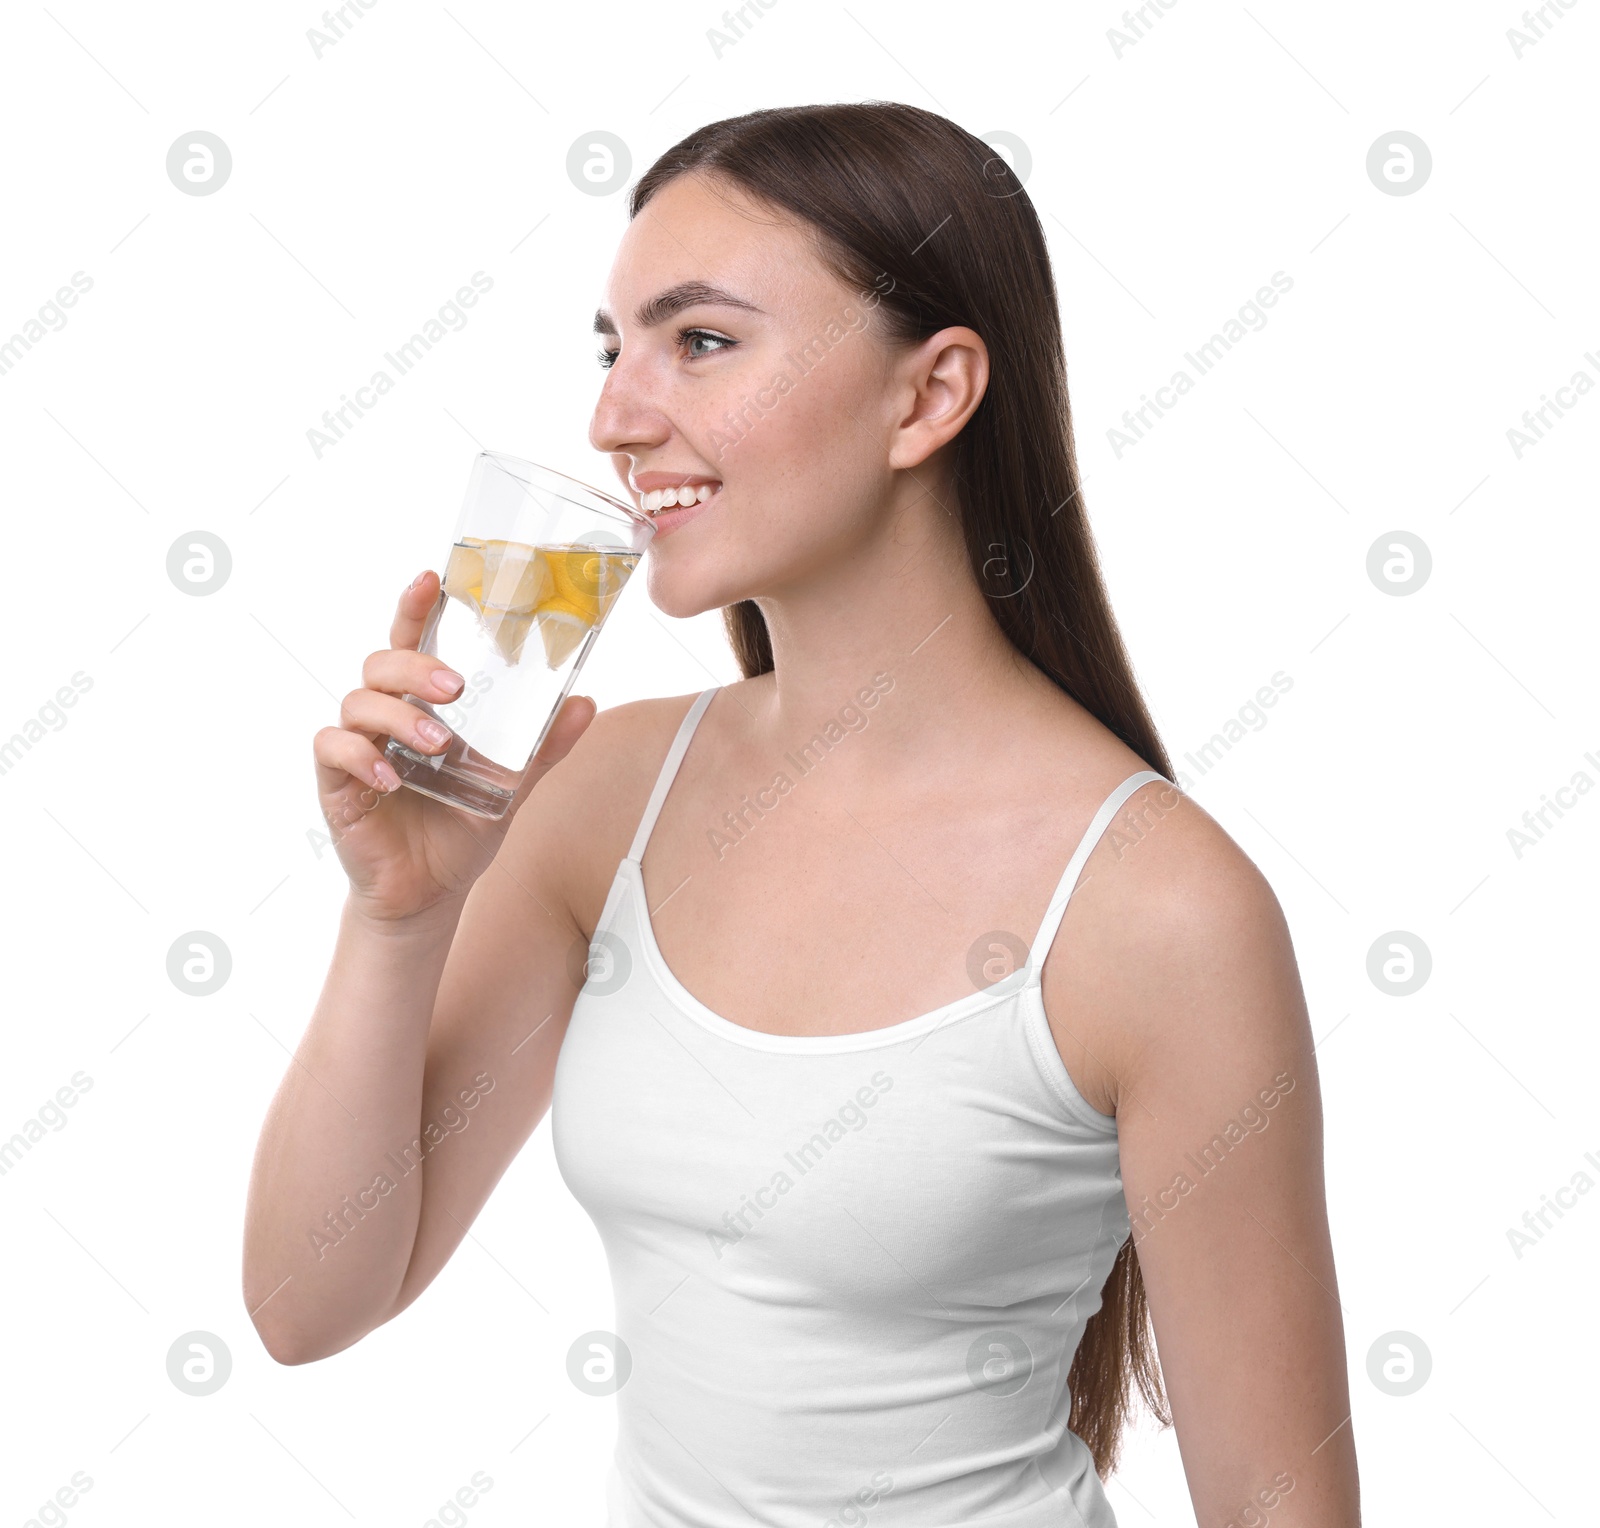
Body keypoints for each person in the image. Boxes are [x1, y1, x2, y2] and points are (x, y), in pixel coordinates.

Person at [244, 102, 1361, 1527]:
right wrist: (398, 916)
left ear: (928, 396)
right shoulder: (600, 795)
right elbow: (306, 1303)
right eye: (614, 348)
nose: (613, 417)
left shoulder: (1159, 908)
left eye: (699, 342)